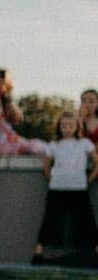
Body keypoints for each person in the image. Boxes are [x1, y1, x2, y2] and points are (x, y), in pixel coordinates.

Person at [35, 112, 98, 264]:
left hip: (79, 189)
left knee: (86, 220)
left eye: (71, 125)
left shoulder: (85, 144)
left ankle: (95, 252)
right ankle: (38, 253)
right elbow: (46, 167)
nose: (67, 129)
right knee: (50, 219)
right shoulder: (53, 145)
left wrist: (88, 180)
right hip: (57, 188)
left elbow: (96, 163)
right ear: (59, 127)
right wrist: (55, 179)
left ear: (77, 127)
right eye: (64, 126)